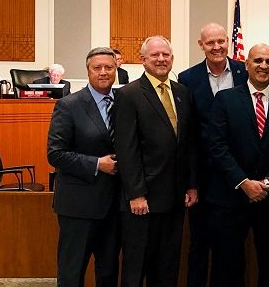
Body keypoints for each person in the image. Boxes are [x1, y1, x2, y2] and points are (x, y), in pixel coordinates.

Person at [114, 35, 198, 286]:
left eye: (166, 55)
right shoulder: (129, 94)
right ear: (143, 60)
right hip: (144, 200)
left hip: (175, 198)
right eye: (155, 55)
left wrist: (191, 184)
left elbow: (189, 143)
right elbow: (126, 149)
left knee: (168, 265)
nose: (161, 59)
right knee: (137, 265)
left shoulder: (183, 93)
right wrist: (136, 194)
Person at [206, 44, 269, 287]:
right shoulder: (225, 99)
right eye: (258, 61)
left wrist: (268, 182)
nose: (263, 66)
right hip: (230, 197)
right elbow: (217, 146)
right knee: (227, 265)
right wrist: (243, 182)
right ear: (246, 65)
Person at [177, 22, 248, 287]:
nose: (217, 47)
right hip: (205, 177)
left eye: (221, 41)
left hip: (238, 175)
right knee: (199, 242)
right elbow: (189, 137)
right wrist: (192, 182)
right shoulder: (187, 79)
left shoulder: (244, 72)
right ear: (201, 45)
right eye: (210, 43)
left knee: (232, 246)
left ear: (228, 42)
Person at [47, 47, 121, 286]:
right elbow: (55, 153)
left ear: (116, 70)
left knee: (108, 272)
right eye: (97, 68)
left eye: (108, 67)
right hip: (78, 206)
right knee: (72, 273)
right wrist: (98, 164)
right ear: (88, 71)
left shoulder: (123, 103)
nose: (103, 72)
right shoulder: (69, 105)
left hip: (114, 206)